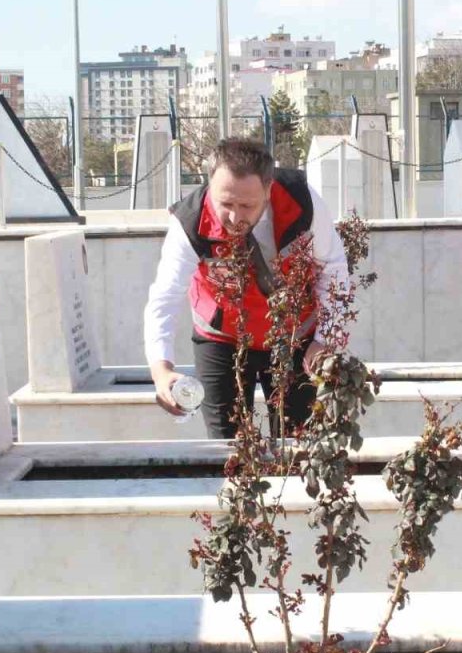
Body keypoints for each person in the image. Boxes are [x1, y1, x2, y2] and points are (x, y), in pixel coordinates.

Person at [143, 138, 349, 439]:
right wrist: (161, 370)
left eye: (247, 206)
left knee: (299, 443)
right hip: (221, 337)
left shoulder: (304, 202)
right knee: (227, 446)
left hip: (295, 335)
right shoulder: (188, 222)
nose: (235, 217)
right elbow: (165, 296)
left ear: (268, 189)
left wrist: (324, 339)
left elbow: (333, 269)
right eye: (225, 204)